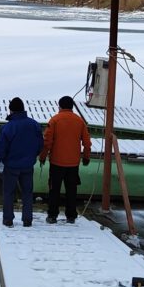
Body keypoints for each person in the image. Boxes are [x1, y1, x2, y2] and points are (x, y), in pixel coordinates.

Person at [0, 97, 44, 228]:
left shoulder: (7, 127)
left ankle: (8, 220)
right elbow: (40, 145)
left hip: (11, 166)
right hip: (28, 165)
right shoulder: (34, 125)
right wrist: (32, 156)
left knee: (9, 193)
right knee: (27, 193)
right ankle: (27, 220)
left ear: (11, 110)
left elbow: (1, 147)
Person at [40, 95, 92, 224]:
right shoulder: (80, 121)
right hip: (73, 164)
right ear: (72, 106)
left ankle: (52, 216)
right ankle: (71, 216)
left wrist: (42, 157)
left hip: (56, 162)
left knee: (54, 190)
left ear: (60, 106)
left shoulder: (55, 120)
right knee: (72, 190)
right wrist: (86, 157)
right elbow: (87, 142)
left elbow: (47, 142)